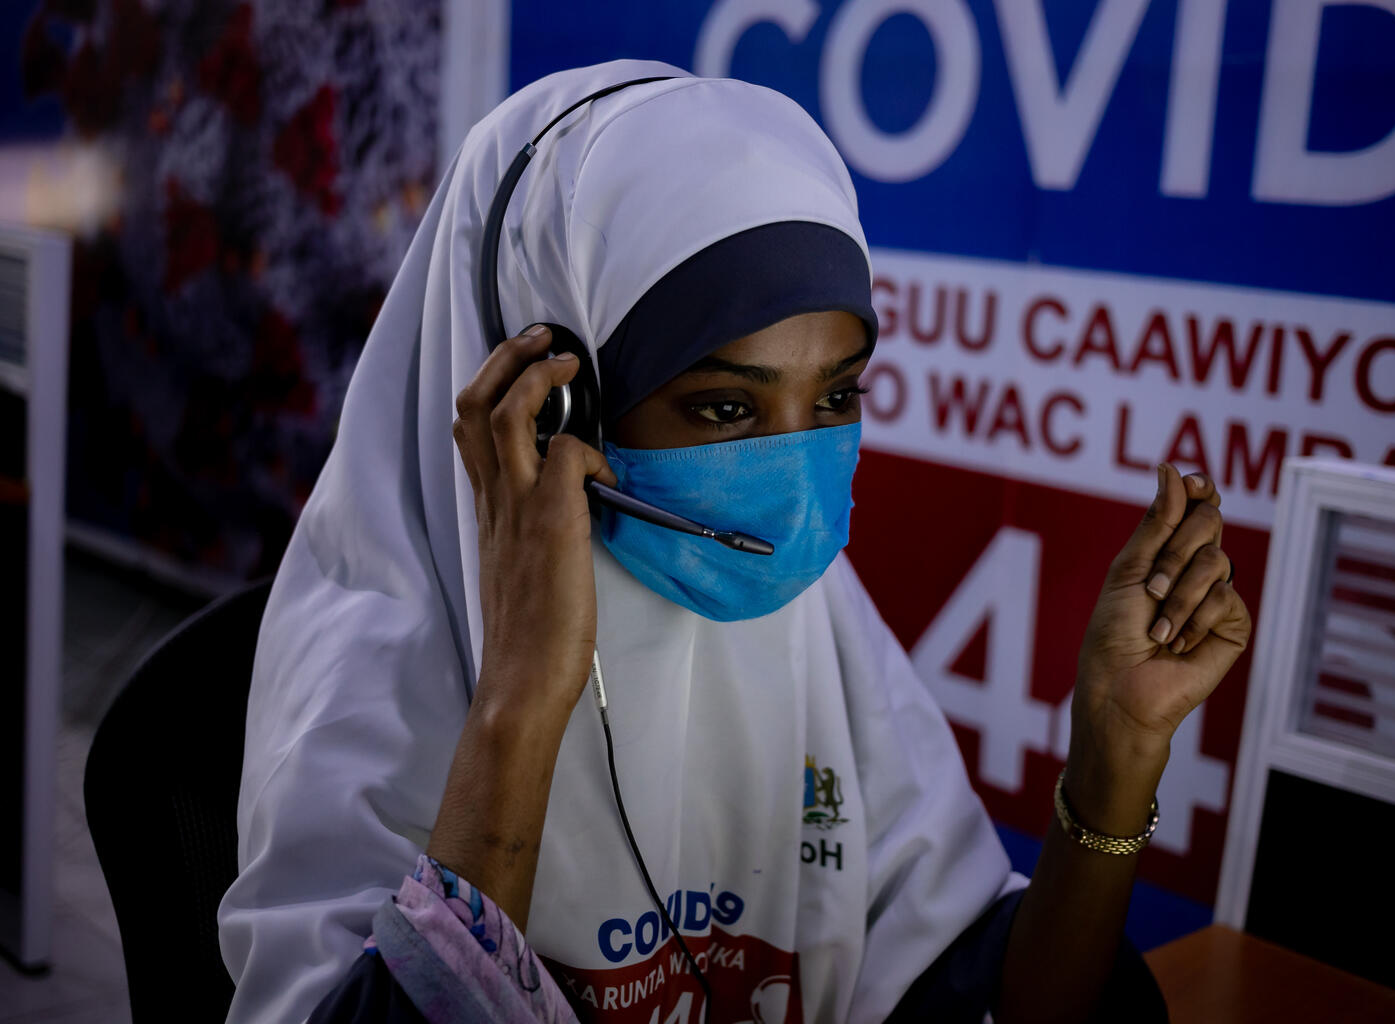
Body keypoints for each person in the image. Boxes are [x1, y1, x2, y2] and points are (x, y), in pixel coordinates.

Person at [217, 60, 1250, 1024]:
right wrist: (521, 704)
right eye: (723, 409)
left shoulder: (807, 612)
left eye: (837, 395)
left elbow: (988, 996)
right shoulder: (371, 672)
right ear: (554, 408)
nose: (795, 486)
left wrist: (1117, 756)